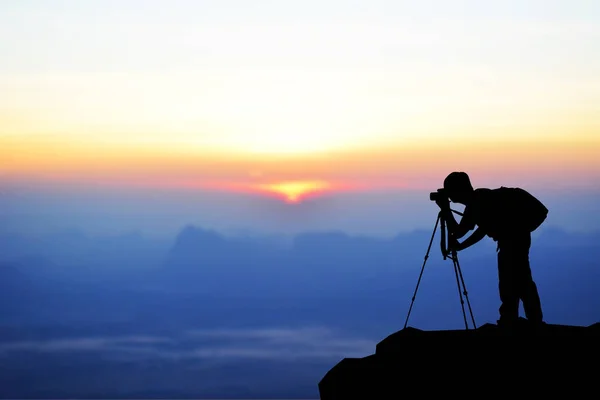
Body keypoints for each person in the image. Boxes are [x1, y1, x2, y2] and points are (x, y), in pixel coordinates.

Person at [435, 172, 547, 329]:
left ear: (457, 191)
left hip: (513, 239)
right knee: (519, 279)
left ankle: (517, 321)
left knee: (514, 281)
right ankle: (524, 319)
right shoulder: (479, 200)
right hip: (516, 238)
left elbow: (465, 232)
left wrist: (446, 210)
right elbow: (470, 231)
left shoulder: (478, 203)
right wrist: (460, 244)